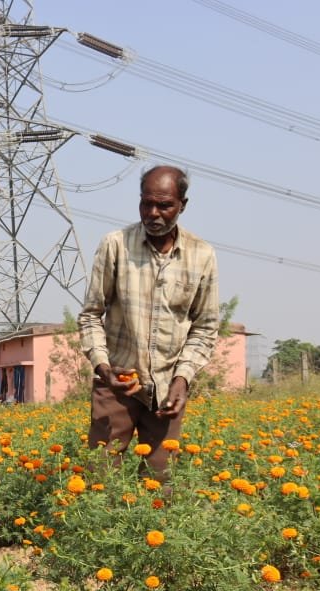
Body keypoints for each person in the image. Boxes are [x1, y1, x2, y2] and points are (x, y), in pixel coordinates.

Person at [78, 165, 220, 477]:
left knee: (160, 484)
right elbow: (90, 316)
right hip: (117, 383)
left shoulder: (202, 255)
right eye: (146, 203)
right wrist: (103, 367)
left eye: (165, 205)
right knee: (99, 481)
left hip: (168, 389)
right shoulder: (116, 245)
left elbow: (205, 328)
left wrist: (182, 379)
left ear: (183, 204)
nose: (153, 213)